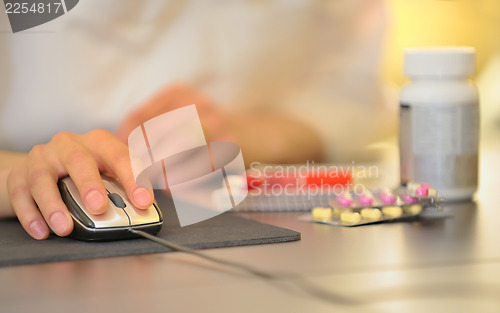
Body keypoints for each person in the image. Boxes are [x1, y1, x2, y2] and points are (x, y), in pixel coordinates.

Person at [0, 0, 393, 240]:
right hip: (29, 203)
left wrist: (252, 134)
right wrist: (21, 175)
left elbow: (348, 90)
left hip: (233, 203)